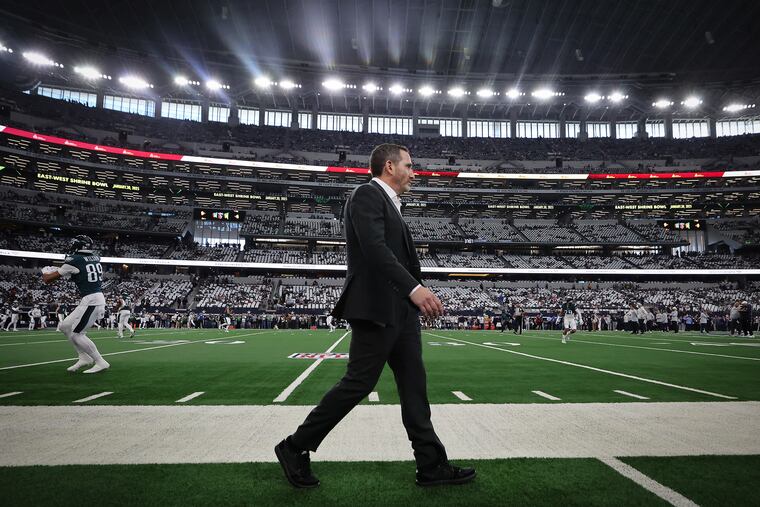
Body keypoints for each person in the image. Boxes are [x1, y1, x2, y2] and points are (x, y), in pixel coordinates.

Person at [275, 144, 474, 489]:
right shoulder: (367, 195)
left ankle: (430, 464)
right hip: (377, 308)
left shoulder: (391, 203)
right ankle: (294, 447)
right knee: (359, 383)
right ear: (389, 167)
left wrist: (414, 300)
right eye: (409, 166)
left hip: (400, 310)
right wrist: (415, 289)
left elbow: (394, 256)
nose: (414, 173)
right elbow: (375, 249)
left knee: (414, 385)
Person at [41, 235, 110, 373]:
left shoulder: (75, 260)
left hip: (92, 300)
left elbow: (47, 279)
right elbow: (78, 273)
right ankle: (84, 357)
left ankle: (100, 362)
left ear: (78, 246)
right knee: (65, 326)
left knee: (77, 335)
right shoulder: (94, 258)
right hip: (91, 299)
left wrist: (45, 271)